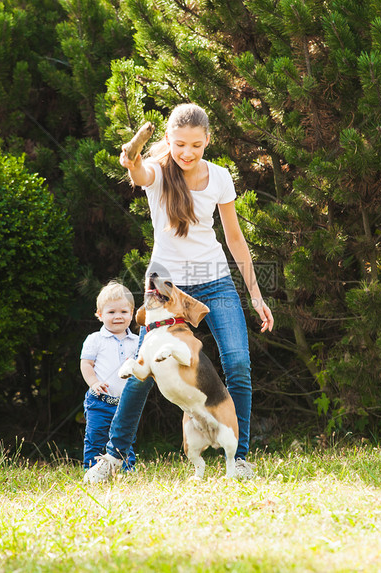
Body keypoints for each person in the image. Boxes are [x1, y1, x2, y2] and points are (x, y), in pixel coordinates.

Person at [83, 103, 274, 482]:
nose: (187, 153)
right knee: (144, 367)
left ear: (207, 142)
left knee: (237, 363)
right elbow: (138, 171)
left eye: (196, 146)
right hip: (165, 282)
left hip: (214, 277)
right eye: (180, 144)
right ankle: (114, 456)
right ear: (168, 140)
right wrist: (130, 156)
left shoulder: (219, 177)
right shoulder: (158, 173)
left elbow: (234, 238)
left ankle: (240, 458)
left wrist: (255, 293)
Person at [80, 281, 140, 469]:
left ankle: (126, 471)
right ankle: (92, 470)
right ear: (100, 314)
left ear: (132, 313)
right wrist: (94, 383)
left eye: (123, 312)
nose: (118, 317)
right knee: (96, 437)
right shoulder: (95, 339)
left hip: (126, 403)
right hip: (100, 401)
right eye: (111, 312)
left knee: (125, 439)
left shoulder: (138, 342)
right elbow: (86, 364)